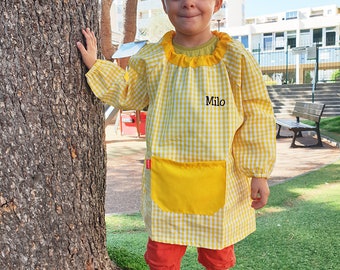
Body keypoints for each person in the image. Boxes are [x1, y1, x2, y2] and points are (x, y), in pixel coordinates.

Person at [77, 0, 276, 269]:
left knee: (218, 258)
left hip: (221, 183)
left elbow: (257, 115)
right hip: (167, 182)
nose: (189, 3)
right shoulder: (153, 58)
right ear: (164, 3)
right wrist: (95, 65)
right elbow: (127, 91)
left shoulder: (236, 58)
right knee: (162, 258)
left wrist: (259, 172)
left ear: (217, 3)